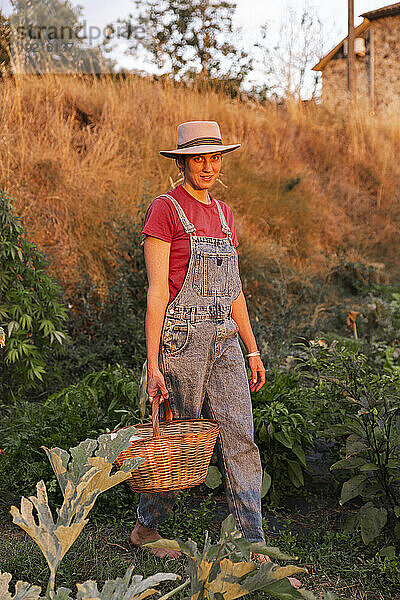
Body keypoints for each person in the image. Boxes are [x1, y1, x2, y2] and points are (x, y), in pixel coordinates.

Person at [129, 120, 301, 588]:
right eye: (198, 158)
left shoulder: (224, 214)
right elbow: (156, 294)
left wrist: (252, 348)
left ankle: (253, 544)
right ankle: (147, 526)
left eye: (214, 158)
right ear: (181, 162)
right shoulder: (165, 211)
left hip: (224, 339)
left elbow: (234, 290)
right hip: (181, 341)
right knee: (177, 436)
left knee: (240, 436)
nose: (207, 167)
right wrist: (154, 366)